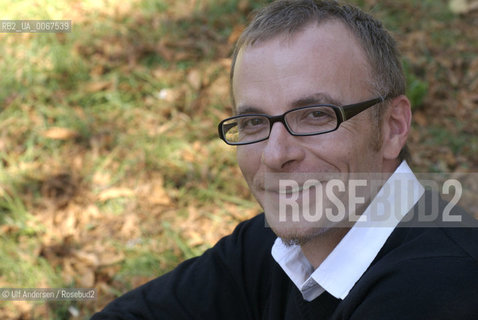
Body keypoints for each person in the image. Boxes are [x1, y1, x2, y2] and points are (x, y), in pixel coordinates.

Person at [91, 0, 478, 319]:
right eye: (254, 122)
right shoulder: (273, 245)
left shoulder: (442, 287)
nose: (276, 155)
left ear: (393, 127)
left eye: (316, 115)